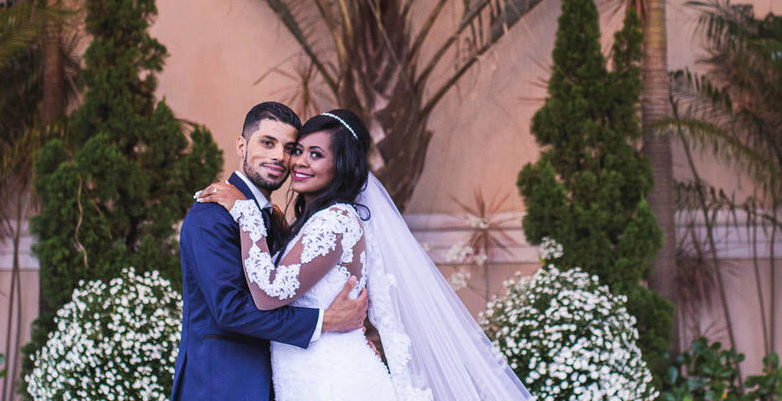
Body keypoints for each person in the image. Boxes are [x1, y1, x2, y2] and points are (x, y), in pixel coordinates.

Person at [196, 109, 534, 401]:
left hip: (334, 382)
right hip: (309, 379)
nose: (298, 161)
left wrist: (247, 213)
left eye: (316, 154)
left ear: (341, 166)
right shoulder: (314, 222)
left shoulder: (336, 221)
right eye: (299, 150)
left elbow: (269, 293)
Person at [172, 102, 370, 401]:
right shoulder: (212, 215)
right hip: (222, 384)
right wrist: (325, 320)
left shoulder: (273, 219)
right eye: (267, 143)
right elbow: (230, 310)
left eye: (290, 148)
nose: (279, 156)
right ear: (242, 145)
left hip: (283, 381)